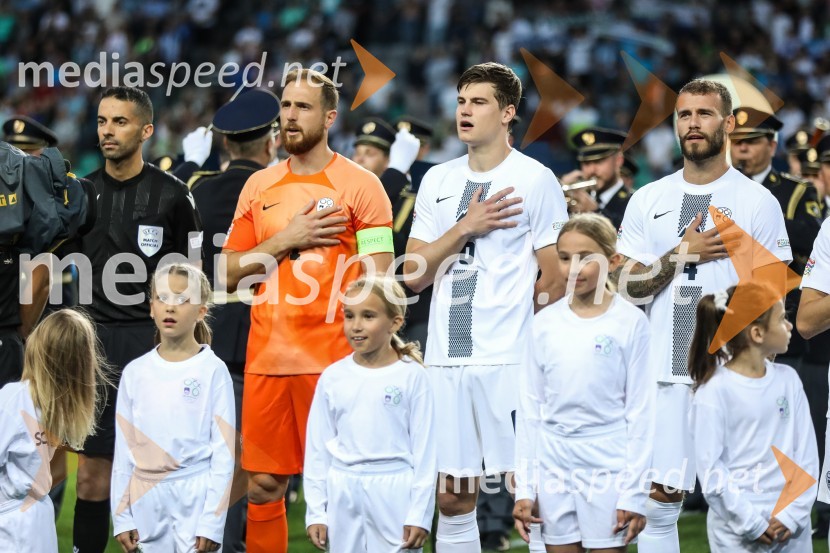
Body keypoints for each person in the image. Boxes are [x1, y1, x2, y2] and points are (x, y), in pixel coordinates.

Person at [614, 79, 792, 553]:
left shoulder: (758, 202)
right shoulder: (648, 199)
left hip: (731, 377)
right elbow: (623, 287)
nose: (692, 124)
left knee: (742, 500)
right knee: (658, 501)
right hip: (661, 375)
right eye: (684, 115)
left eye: (704, 114)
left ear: (729, 124)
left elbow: (773, 295)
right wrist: (679, 255)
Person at [220, 68, 394, 553]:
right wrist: (286, 239)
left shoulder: (362, 187)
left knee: (348, 488)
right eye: (286, 106)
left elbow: (380, 281)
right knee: (262, 487)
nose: (290, 116)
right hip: (268, 362)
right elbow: (226, 272)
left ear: (330, 117)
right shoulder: (258, 185)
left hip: (337, 363)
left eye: (303, 107)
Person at [403, 62, 569, 553]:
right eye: (460, 102)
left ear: (508, 113)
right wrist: (463, 228)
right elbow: (413, 273)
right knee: (452, 498)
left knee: (529, 491)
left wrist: (527, 341)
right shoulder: (437, 179)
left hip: (509, 361)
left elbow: (555, 275)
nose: (465, 111)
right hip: (445, 359)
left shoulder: (535, 179)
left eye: (478, 102)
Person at [75, 86, 203, 553]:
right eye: (103, 121)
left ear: (146, 130)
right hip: (93, 350)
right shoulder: (80, 194)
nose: (108, 131)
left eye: (120, 122)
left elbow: (195, 275)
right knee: (92, 474)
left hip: (153, 349)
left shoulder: (172, 196)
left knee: (159, 471)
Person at [513, 214, 654, 552]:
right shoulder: (543, 323)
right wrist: (524, 489)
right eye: (564, 258)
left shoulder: (631, 322)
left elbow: (642, 411)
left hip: (608, 459)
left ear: (613, 260)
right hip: (553, 460)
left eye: (586, 258)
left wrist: (634, 491)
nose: (573, 268)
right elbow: (531, 409)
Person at [191, 88, 280, 552]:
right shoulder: (279, 192)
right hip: (265, 343)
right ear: (272, 143)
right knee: (253, 465)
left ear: (225, 144)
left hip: (203, 338)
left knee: (203, 458)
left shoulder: (197, 191)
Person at [304, 274, 436, 552]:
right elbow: (317, 451)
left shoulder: (413, 377)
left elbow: (426, 452)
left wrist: (419, 514)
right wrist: (316, 511)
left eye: (368, 316)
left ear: (395, 322)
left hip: (395, 492)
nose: (356, 326)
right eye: (349, 316)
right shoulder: (333, 377)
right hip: (342, 491)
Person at [111, 263, 234, 553]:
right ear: (151, 306)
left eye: (182, 299)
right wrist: (121, 516)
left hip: (196, 495)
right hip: (146, 499)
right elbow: (123, 453)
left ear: (201, 311)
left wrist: (212, 522)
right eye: (163, 298)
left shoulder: (213, 370)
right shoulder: (134, 372)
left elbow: (224, 453)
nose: (171, 307)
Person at [692, 286, 818, 551]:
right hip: (737, 531)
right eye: (782, 318)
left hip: (791, 530)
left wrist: (790, 515)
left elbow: (806, 457)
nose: (790, 326)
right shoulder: (714, 391)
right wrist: (751, 523)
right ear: (757, 333)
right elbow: (711, 470)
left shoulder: (788, 381)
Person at [0, 309, 107, 552]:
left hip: (10, 527)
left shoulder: (13, 398)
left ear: (37, 347)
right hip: (39, 520)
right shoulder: (64, 408)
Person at [729, 106, 822, 367]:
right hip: (725, 309)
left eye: (752, 141)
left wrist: (765, 218)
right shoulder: (717, 189)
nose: (742, 148)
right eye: (737, 142)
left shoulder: (796, 190)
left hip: (779, 317)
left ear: (771, 145)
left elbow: (815, 239)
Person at [561, 127, 631, 229]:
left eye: (599, 161)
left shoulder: (633, 201)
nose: (592, 170)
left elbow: (625, 235)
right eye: (586, 163)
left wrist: (595, 213)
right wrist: (558, 195)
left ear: (618, 160)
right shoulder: (573, 199)